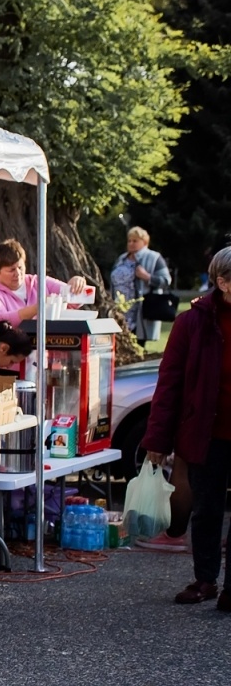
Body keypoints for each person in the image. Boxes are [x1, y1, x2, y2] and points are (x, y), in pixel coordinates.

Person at [142, 245, 231, 609]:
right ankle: (206, 580)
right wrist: (157, 439)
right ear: (222, 282)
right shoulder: (192, 322)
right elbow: (169, 386)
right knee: (207, 510)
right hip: (207, 435)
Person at [0, 239, 87, 331]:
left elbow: (75, 301)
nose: (18, 274)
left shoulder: (40, 282)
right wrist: (36, 309)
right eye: (11, 270)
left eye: (20, 267)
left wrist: (77, 283)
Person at [113, 226, 171, 344]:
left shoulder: (154, 257)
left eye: (135, 241)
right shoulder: (122, 258)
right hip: (120, 309)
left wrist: (147, 277)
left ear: (144, 242)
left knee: (137, 343)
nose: (131, 243)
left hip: (140, 311)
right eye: (129, 241)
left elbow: (166, 281)